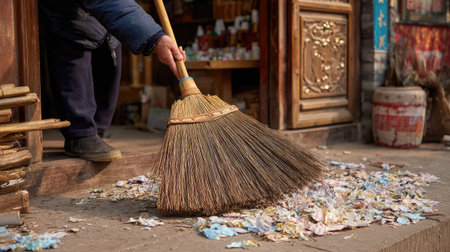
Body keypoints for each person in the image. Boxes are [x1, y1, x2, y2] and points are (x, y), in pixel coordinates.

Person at [39, 0, 185, 162]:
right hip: (69, 16)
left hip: (103, 17)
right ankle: (81, 134)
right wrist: (155, 38)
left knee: (109, 49)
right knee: (74, 49)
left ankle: (98, 128)